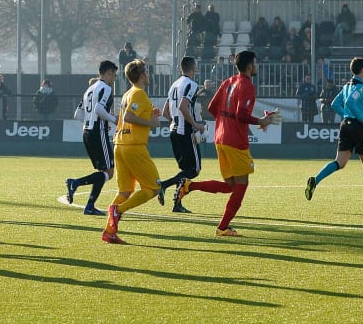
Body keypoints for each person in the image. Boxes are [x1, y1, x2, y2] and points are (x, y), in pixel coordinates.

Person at [175, 50, 278, 237]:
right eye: (255, 63)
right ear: (249, 66)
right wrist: (261, 122)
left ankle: (189, 186)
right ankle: (223, 227)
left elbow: (212, 107)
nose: (257, 66)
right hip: (235, 141)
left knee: (230, 185)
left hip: (220, 138)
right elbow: (241, 115)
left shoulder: (229, 81)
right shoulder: (247, 86)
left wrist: (226, 123)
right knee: (242, 184)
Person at [304, 57, 363, 209]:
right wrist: (361, 118)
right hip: (358, 128)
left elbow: (336, 103)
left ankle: (315, 181)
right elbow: (350, 102)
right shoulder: (360, 87)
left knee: (340, 162)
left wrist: (346, 116)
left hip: (345, 126)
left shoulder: (347, 86)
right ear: (362, 70)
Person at [101, 59, 162, 244]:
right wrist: (151, 122)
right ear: (142, 75)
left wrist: (151, 116)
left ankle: (109, 232)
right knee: (153, 188)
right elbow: (129, 116)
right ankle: (117, 211)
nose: (149, 76)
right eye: (147, 72)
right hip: (133, 147)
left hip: (120, 145)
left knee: (125, 191)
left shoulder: (128, 93)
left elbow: (127, 117)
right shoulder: (139, 94)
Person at [66, 61, 119, 215]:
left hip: (87, 132)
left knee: (103, 171)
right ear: (108, 72)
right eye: (114, 75)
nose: (114, 79)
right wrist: (113, 119)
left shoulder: (90, 89)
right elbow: (98, 109)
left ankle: (90, 206)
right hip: (98, 133)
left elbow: (78, 114)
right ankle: (75, 183)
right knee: (109, 172)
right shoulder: (106, 88)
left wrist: (93, 121)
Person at [157, 56, 206, 213]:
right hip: (185, 131)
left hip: (174, 130)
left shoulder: (174, 85)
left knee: (185, 170)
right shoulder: (191, 84)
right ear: (194, 68)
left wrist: (176, 121)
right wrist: (195, 124)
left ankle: (177, 204)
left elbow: (165, 112)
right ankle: (164, 185)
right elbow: (183, 106)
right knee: (194, 169)